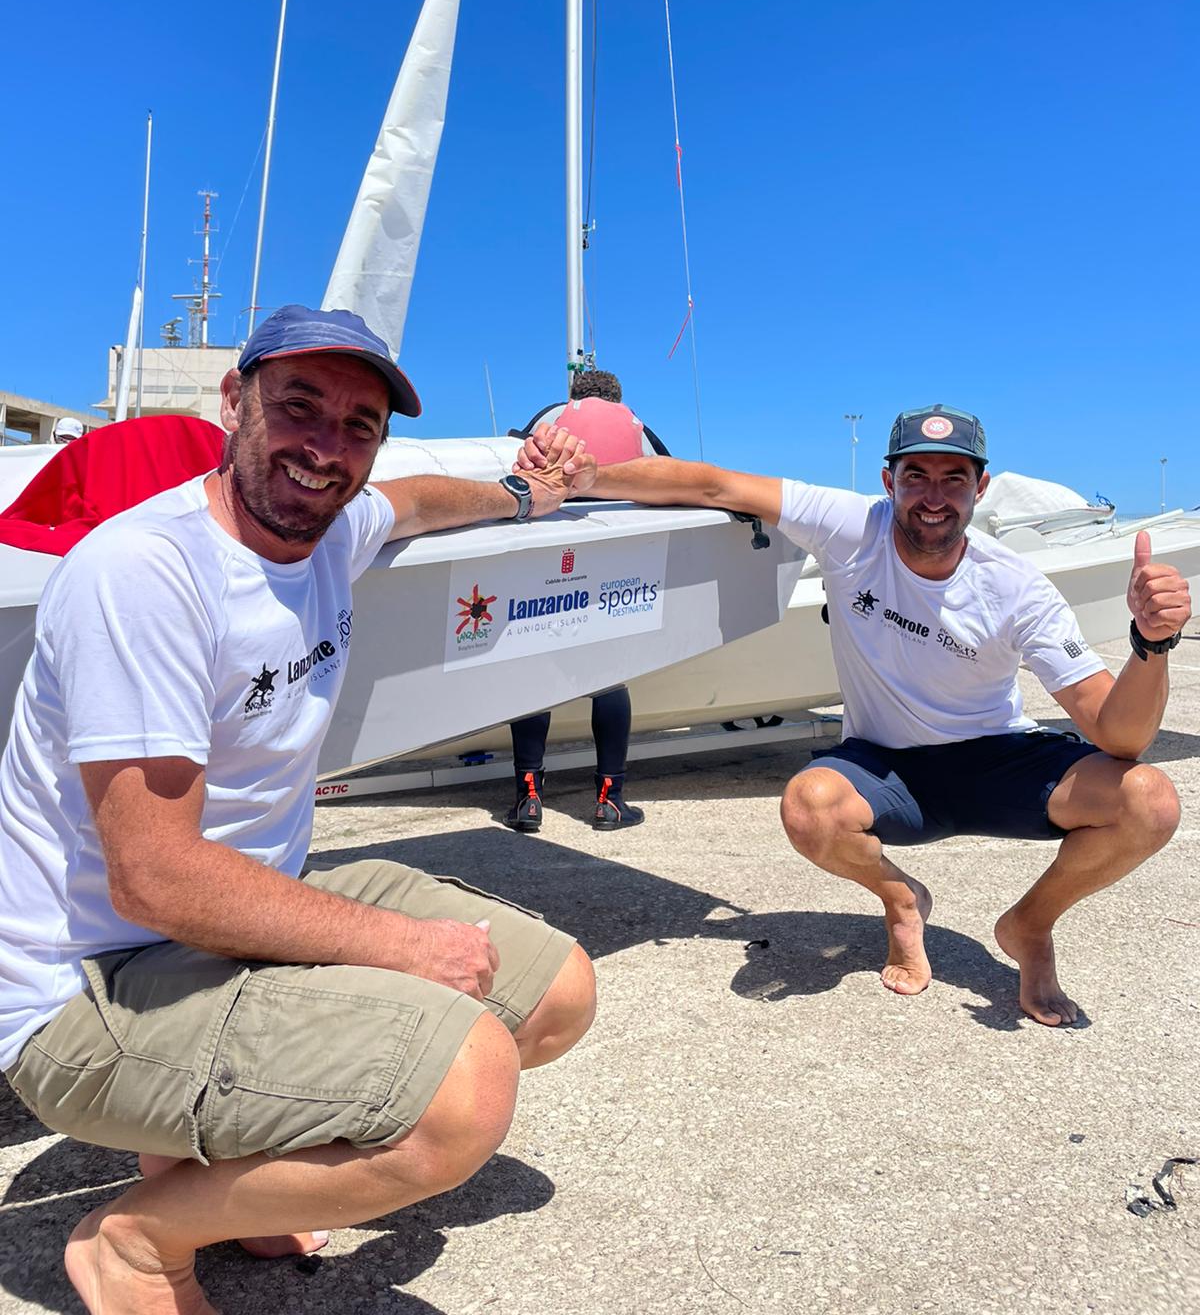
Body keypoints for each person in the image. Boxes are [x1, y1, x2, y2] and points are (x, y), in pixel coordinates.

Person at [0, 304, 598, 1315]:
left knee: (556, 996)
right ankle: (139, 1243)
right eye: (299, 407)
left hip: (233, 924)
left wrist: (518, 493)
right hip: (88, 991)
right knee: (464, 1090)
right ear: (234, 403)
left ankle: (210, 1172)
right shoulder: (146, 575)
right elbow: (156, 877)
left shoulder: (332, 524)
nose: (326, 448)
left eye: (359, 424)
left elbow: (414, 502)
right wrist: (400, 947)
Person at [523, 403, 1191, 1027]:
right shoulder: (851, 526)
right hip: (887, 767)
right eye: (916, 476)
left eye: (953, 478)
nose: (934, 495)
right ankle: (902, 900)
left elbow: (1119, 734)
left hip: (995, 759)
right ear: (888, 480)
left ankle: (1031, 925)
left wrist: (1152, 643)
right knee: (807, 808)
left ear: (980, 488)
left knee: (1150, 802)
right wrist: (588, 479)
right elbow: (715, 486)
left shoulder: (1017, 586)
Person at [506, 369, 661, 832]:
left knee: (536, 673)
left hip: (550, 557)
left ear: (573, 396)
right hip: (615, 559)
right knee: (611, 680)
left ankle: (528, 798)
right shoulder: (641, 428)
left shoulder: (549, 419)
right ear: (619, 398)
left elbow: (512, 471)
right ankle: (610, 801)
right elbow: (665, 481)